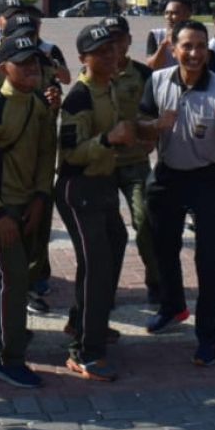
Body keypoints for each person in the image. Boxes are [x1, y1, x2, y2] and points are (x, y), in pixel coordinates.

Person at [140, 20, 215, 367]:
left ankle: (207, 335)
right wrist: (155, 126)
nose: (193, 53)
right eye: (186, 46)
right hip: (168, 175)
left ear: (208, 51)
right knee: (162, 247)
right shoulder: (157, 82)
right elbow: (141, 134)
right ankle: (172, 306)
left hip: (206, 178)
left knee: (208, 258)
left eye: (200, 47)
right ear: (173, 48)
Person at [0, 34, 57, 388]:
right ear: (4, 68)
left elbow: (44, 152)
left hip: (27, 202)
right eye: (23, 63)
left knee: (17, 273)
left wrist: (39, 196)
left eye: (35, 61)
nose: (32, 68)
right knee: (16, 277)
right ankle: (11, 358)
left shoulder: (36, 103)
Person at [56, 24, 135, 382]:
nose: (110, 56)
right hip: (79, 188)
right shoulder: (79, 97)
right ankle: (85, 352)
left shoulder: (111, 86)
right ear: (83, 59)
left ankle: (84, 323)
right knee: (96, 265)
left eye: (112, 50)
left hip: (103, 184)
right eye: (101, 52)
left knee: (112, 251)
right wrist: (108, 139)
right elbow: (70, 154)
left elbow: (120, 127)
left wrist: (149, 127)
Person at [100, 16, 159, 304]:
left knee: (146, 221)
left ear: (128, 41)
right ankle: (106, 289)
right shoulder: (94, 75)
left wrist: (152, 139)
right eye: (108, 40)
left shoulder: (143, 74)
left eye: (119, 39)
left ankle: (156, 283)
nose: (114, 46)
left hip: (135, 162)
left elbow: (154, 113)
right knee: (109, 232)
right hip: (103, 165)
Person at [144, 0, 192, 71]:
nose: (168, 17)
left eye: (174, 13)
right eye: (166, 13)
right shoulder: (156, 35)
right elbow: (152, 67)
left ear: (188, 15)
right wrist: (164, 43)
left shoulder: (195, 36)